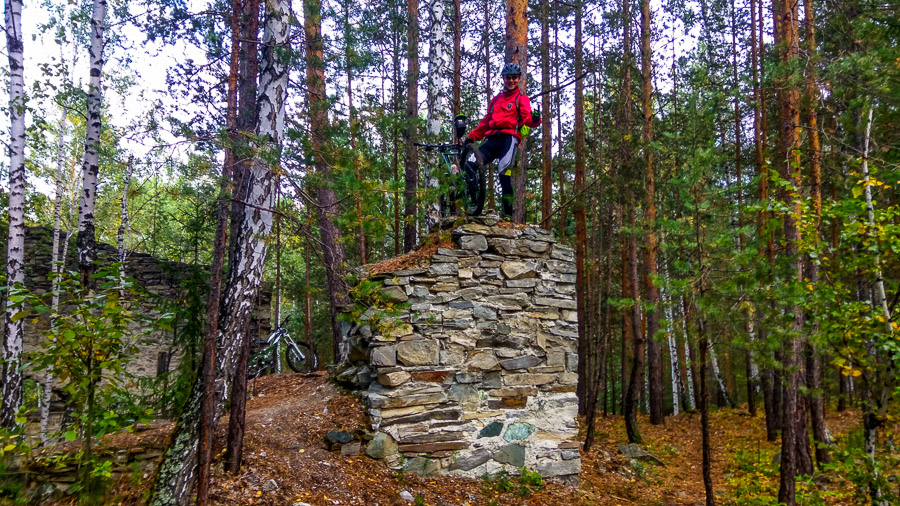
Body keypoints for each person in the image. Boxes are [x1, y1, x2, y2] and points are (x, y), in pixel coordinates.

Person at [464, 62, 541, 219]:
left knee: (503, 171)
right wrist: (471, 136)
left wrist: (535, 120)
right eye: (508, 78)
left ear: (519, 79)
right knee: (470, 164)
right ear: (503, 79)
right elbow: (487, 121)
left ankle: (507, 214)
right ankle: (473, 202)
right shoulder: (496, 99)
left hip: (509, 139)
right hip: (492, 139)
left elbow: (527, 119)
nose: (511, 80)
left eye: (514, 78)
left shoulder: (521, 99)